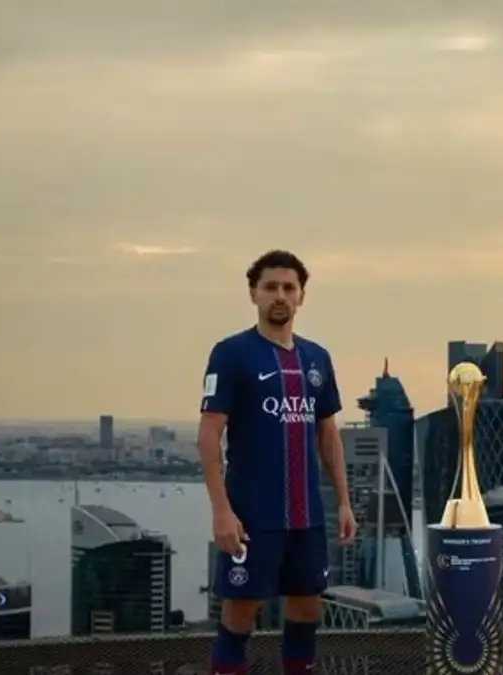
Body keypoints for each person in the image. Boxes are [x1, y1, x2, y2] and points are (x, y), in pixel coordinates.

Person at [198, 250, 357, 675]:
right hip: (253, 514)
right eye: (270, 287)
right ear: (254, 293)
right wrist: (221, 512)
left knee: (307, 608)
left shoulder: (317, 358)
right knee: (240, 612)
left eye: (289, 287)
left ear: (302, 295)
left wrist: (343, 501)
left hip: (307, 516)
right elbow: (209, 434)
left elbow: (328, 433)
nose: (280, 296)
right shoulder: (231, 353)